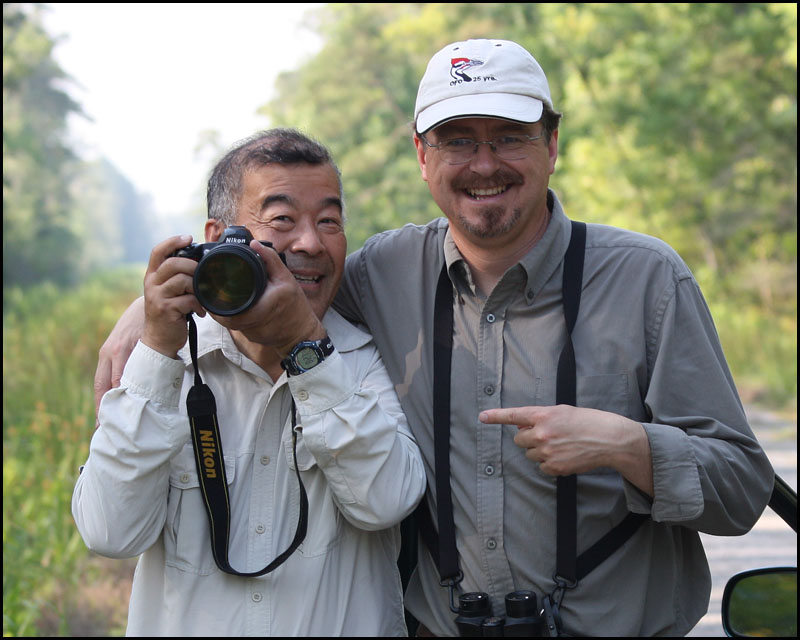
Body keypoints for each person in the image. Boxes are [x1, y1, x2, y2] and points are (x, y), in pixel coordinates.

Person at [92, 41, 775, 637]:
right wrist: (153, 312)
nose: (485, 163)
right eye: (457, 140)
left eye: (509, 135)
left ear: (552, 145)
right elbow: (278, 271)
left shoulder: (647, 280)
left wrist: (628, 446)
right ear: (423, 156)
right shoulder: (382, 273)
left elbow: (742, 489)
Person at [73, 128, 426, 637]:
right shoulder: (163, 365)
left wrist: (305, 346)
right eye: (282, 219)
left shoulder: (370, 359)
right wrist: (154, 347)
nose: (309, 242)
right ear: (217, 240)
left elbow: (385, 501)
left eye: (329, 221)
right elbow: (109, 531)